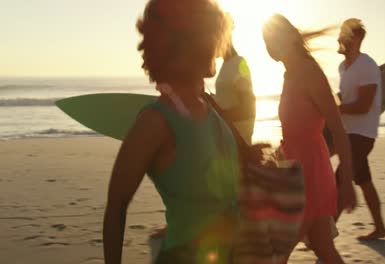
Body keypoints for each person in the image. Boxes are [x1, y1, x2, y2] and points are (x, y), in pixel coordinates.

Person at [102, 1, 242, 263]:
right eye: (214, 36)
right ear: (191, 44)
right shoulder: (156, 122)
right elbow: (116, 206)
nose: (220, 48)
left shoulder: (207, 107)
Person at [262, 14, 357, 264]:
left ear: (289, 38)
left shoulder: (308, 72)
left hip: (309, 176)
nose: (270, 46)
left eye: (273, 38)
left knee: (277, 252)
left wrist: (346, 181)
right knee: (324, 249)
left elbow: (338, 129)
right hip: (293, 172)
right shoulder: (290, 73)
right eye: (266, 41)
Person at [335, 18, 385, 240]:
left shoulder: (367, 65)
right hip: (349, 132)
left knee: (339, 178)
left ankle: (324, 232)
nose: (338, 38)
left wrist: (336, 109)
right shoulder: (343, 67)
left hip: (363, 134)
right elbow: (345, 99)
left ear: (355, 39)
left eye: (343, 34)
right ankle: (380, 227)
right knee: (364, 180)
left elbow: (363, 105)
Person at [214, 36, 256, 144]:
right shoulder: (225, 65)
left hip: (239, 139)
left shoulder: (240, 63)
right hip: (227, 137)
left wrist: (217, 116)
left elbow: (248, 108)